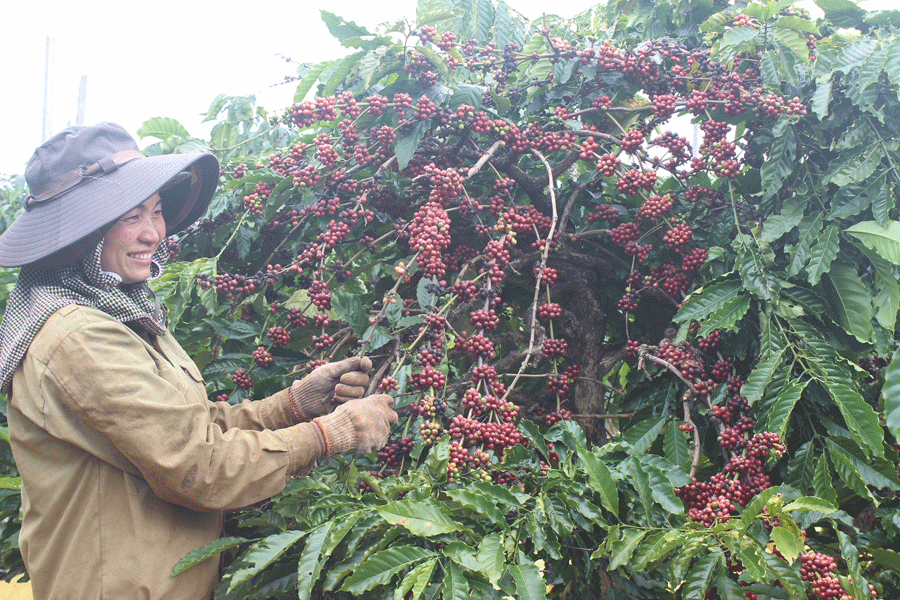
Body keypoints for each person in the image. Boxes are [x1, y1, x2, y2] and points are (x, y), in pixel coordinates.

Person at [0, 122, 398, 599]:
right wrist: (331, 433)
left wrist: (293, 404)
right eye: (131, 217)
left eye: (157, 212)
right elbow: (198, 468)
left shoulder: (120, 315)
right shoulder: (79, 338)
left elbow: (194, 426)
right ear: (80, 237)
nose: (154, 234)